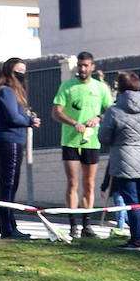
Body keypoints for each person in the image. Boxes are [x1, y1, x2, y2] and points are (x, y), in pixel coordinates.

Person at [98, 70, 140, 251]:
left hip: (124, 160)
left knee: (132, 202)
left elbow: (104, 137)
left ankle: (137, 239)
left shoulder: (115, 111)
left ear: (120, 88)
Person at [52, 51, 113, 240]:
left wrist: (99, 118)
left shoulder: (100, 87)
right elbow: (56, 112)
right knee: (72, 182)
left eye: (86, 65)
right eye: (80, 65)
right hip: (70, 140)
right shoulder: (67, 86)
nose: (82, 69)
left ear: (92, 67)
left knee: (89, 183)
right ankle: (73, 225)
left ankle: (87, 225)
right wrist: (72, 123)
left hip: (91, 142)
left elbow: (111, 111)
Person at [0, 56, 40, 241]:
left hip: (16, 141)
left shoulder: (16, 92)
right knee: (8, 185)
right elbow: (12, 117)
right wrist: (30, 120)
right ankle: (7, 228)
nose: (22, 75)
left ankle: (11, 225)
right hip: (8, 141)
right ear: (10, 71)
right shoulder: (6, 92)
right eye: (18, 71)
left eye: (24, 71)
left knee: (12, 185)